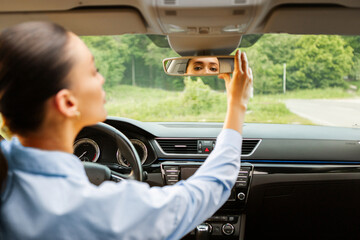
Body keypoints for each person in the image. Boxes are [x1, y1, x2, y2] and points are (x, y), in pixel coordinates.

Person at [0, 22, 253, 240]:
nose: (101, 79)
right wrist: (237, 105)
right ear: (67, 103)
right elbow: (212, 187)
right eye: (92, 71)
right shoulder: (107, 212)